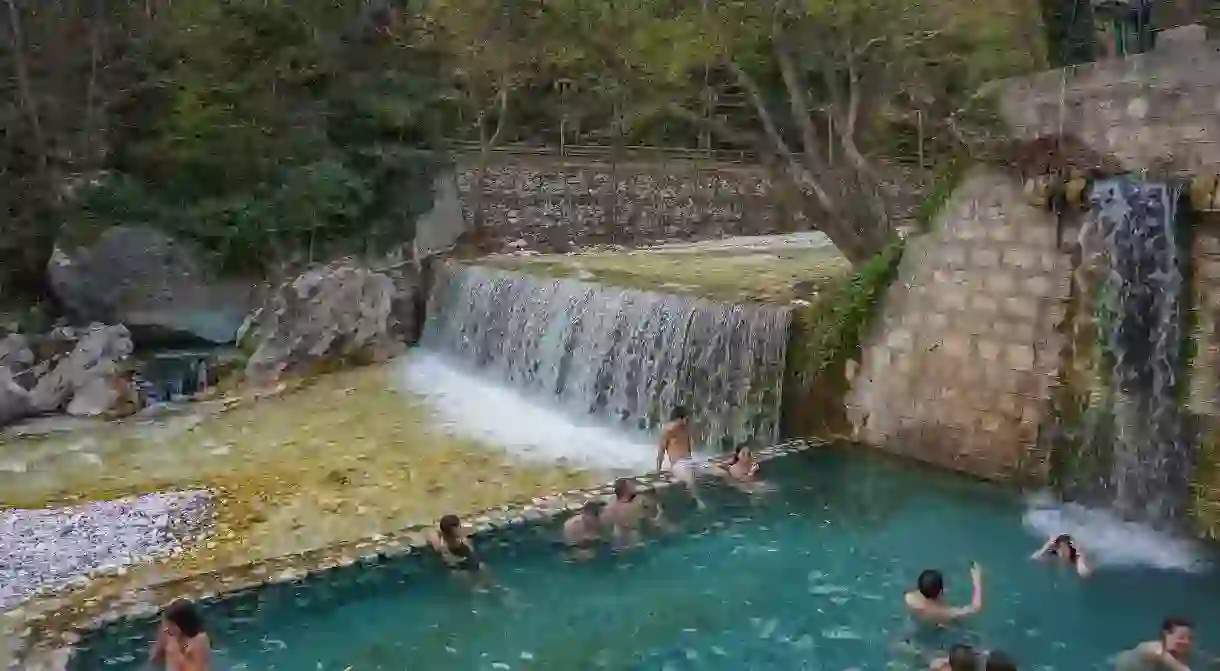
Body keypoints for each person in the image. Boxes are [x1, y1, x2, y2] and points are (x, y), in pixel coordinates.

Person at [657, 405, 706, 509]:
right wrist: (658, 470)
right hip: (678, 463)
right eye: (687, 418)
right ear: (680, 418)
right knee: (689, 477)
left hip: (689, 461)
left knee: (707, 470)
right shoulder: (668, 430)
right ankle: (697, 501)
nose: (689, 420)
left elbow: (689, 448)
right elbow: (661, 451)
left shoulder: (686, 429)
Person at [905, 564, 984, 625]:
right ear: (940, 591)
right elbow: (975, 608)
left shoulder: (909, 597)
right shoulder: (943, 612)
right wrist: (977, 580)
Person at [150, 599, 210, 671]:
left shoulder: (198, 641)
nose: (168, 628)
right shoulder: (170, 634)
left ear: (182, 624)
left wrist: (177, 655)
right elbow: (154, 659)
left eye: (172, 625)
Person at [1115, 617, 1195, 671]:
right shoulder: (1152, 648)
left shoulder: (1185, 655)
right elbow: (1162, 656)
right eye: (1181, 637)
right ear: (1165, 634)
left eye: (1190, 638)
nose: (1186, 642)